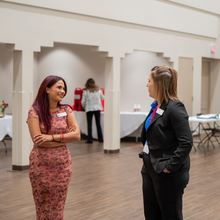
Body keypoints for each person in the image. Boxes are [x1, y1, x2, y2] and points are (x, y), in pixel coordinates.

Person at [139, 66, 193, 220]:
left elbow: (186, 142)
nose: (147, 84)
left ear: (159, 84)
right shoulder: (157, 106)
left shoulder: (175, 108)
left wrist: (169, 167)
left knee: (170, 216)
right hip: (150, 168)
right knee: (151, 214)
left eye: (149, 81)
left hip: (168, 172)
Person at [27, 75, 80, 220]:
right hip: (41, 165)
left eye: (64, 88)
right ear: (47, 89)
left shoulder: (66, 110)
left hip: (62, 166)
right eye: (59, 87)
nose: (63, 91)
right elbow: (38, 141)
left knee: (58, 205)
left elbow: (76, 135)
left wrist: (51, 137)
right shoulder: (35, 111)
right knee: (43, 206)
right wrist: (65, 137)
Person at [81, 78, 104, 143]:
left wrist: (84, 107)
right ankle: (101, 139)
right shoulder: (98, 90)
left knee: (89, 124)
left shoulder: (85, 91)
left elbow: (83, 101)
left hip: (89, 108)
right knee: (98, 124)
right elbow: (102, 97)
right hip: (97, 108)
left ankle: (90, 139)